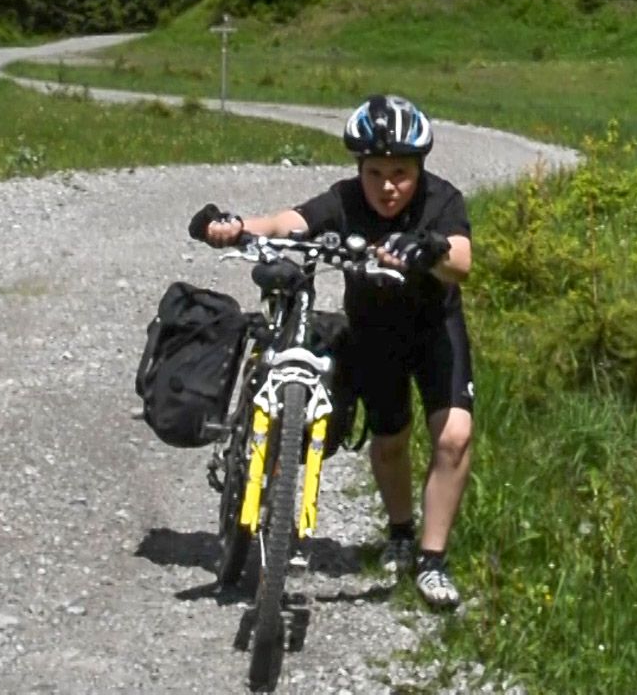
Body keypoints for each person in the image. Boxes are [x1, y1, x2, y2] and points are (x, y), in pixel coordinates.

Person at [191, 94, 474, 611]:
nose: (388, 186)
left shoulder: (441, 200)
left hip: (436, 330)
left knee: (454, 437)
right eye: (376, 172)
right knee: (390, 442)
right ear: (359, 168)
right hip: (374, 335)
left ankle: (433, 561)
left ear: (420, 169)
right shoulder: (345, 201)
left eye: (401, 173)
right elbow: (289, 222)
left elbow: (462, 260)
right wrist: (238, 228)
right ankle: (401, 533)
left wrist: (428, 248)